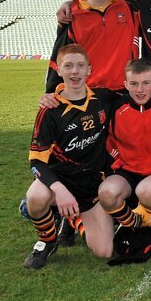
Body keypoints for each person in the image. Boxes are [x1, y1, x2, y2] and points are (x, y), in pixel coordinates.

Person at [24, 45, 117, 268]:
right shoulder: (50, 110)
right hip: (61, 181)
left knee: (104, 251)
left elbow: (137, 95)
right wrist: (59, 189)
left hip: (92, 184)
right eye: (68, 66)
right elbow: (36, 161)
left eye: (80, 66)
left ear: (89, 70)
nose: (74, 72)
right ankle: (47, 241)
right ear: (58, 70)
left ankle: (72, 218)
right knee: (35, 197)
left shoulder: (103, 98)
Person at [98, 59, 151, 238]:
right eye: (134, 84)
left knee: (147, 191)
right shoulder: (116, 108)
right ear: (125, 84)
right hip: (128, 169)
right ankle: (135, 223)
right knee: (106, 193)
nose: (140, 90)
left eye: (146, 83)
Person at [47, 0, 136, 93]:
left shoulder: (128, 6)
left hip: (124, 90)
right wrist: (51, 92)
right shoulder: (73, 14)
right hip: (88, 92)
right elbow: (60, 56)